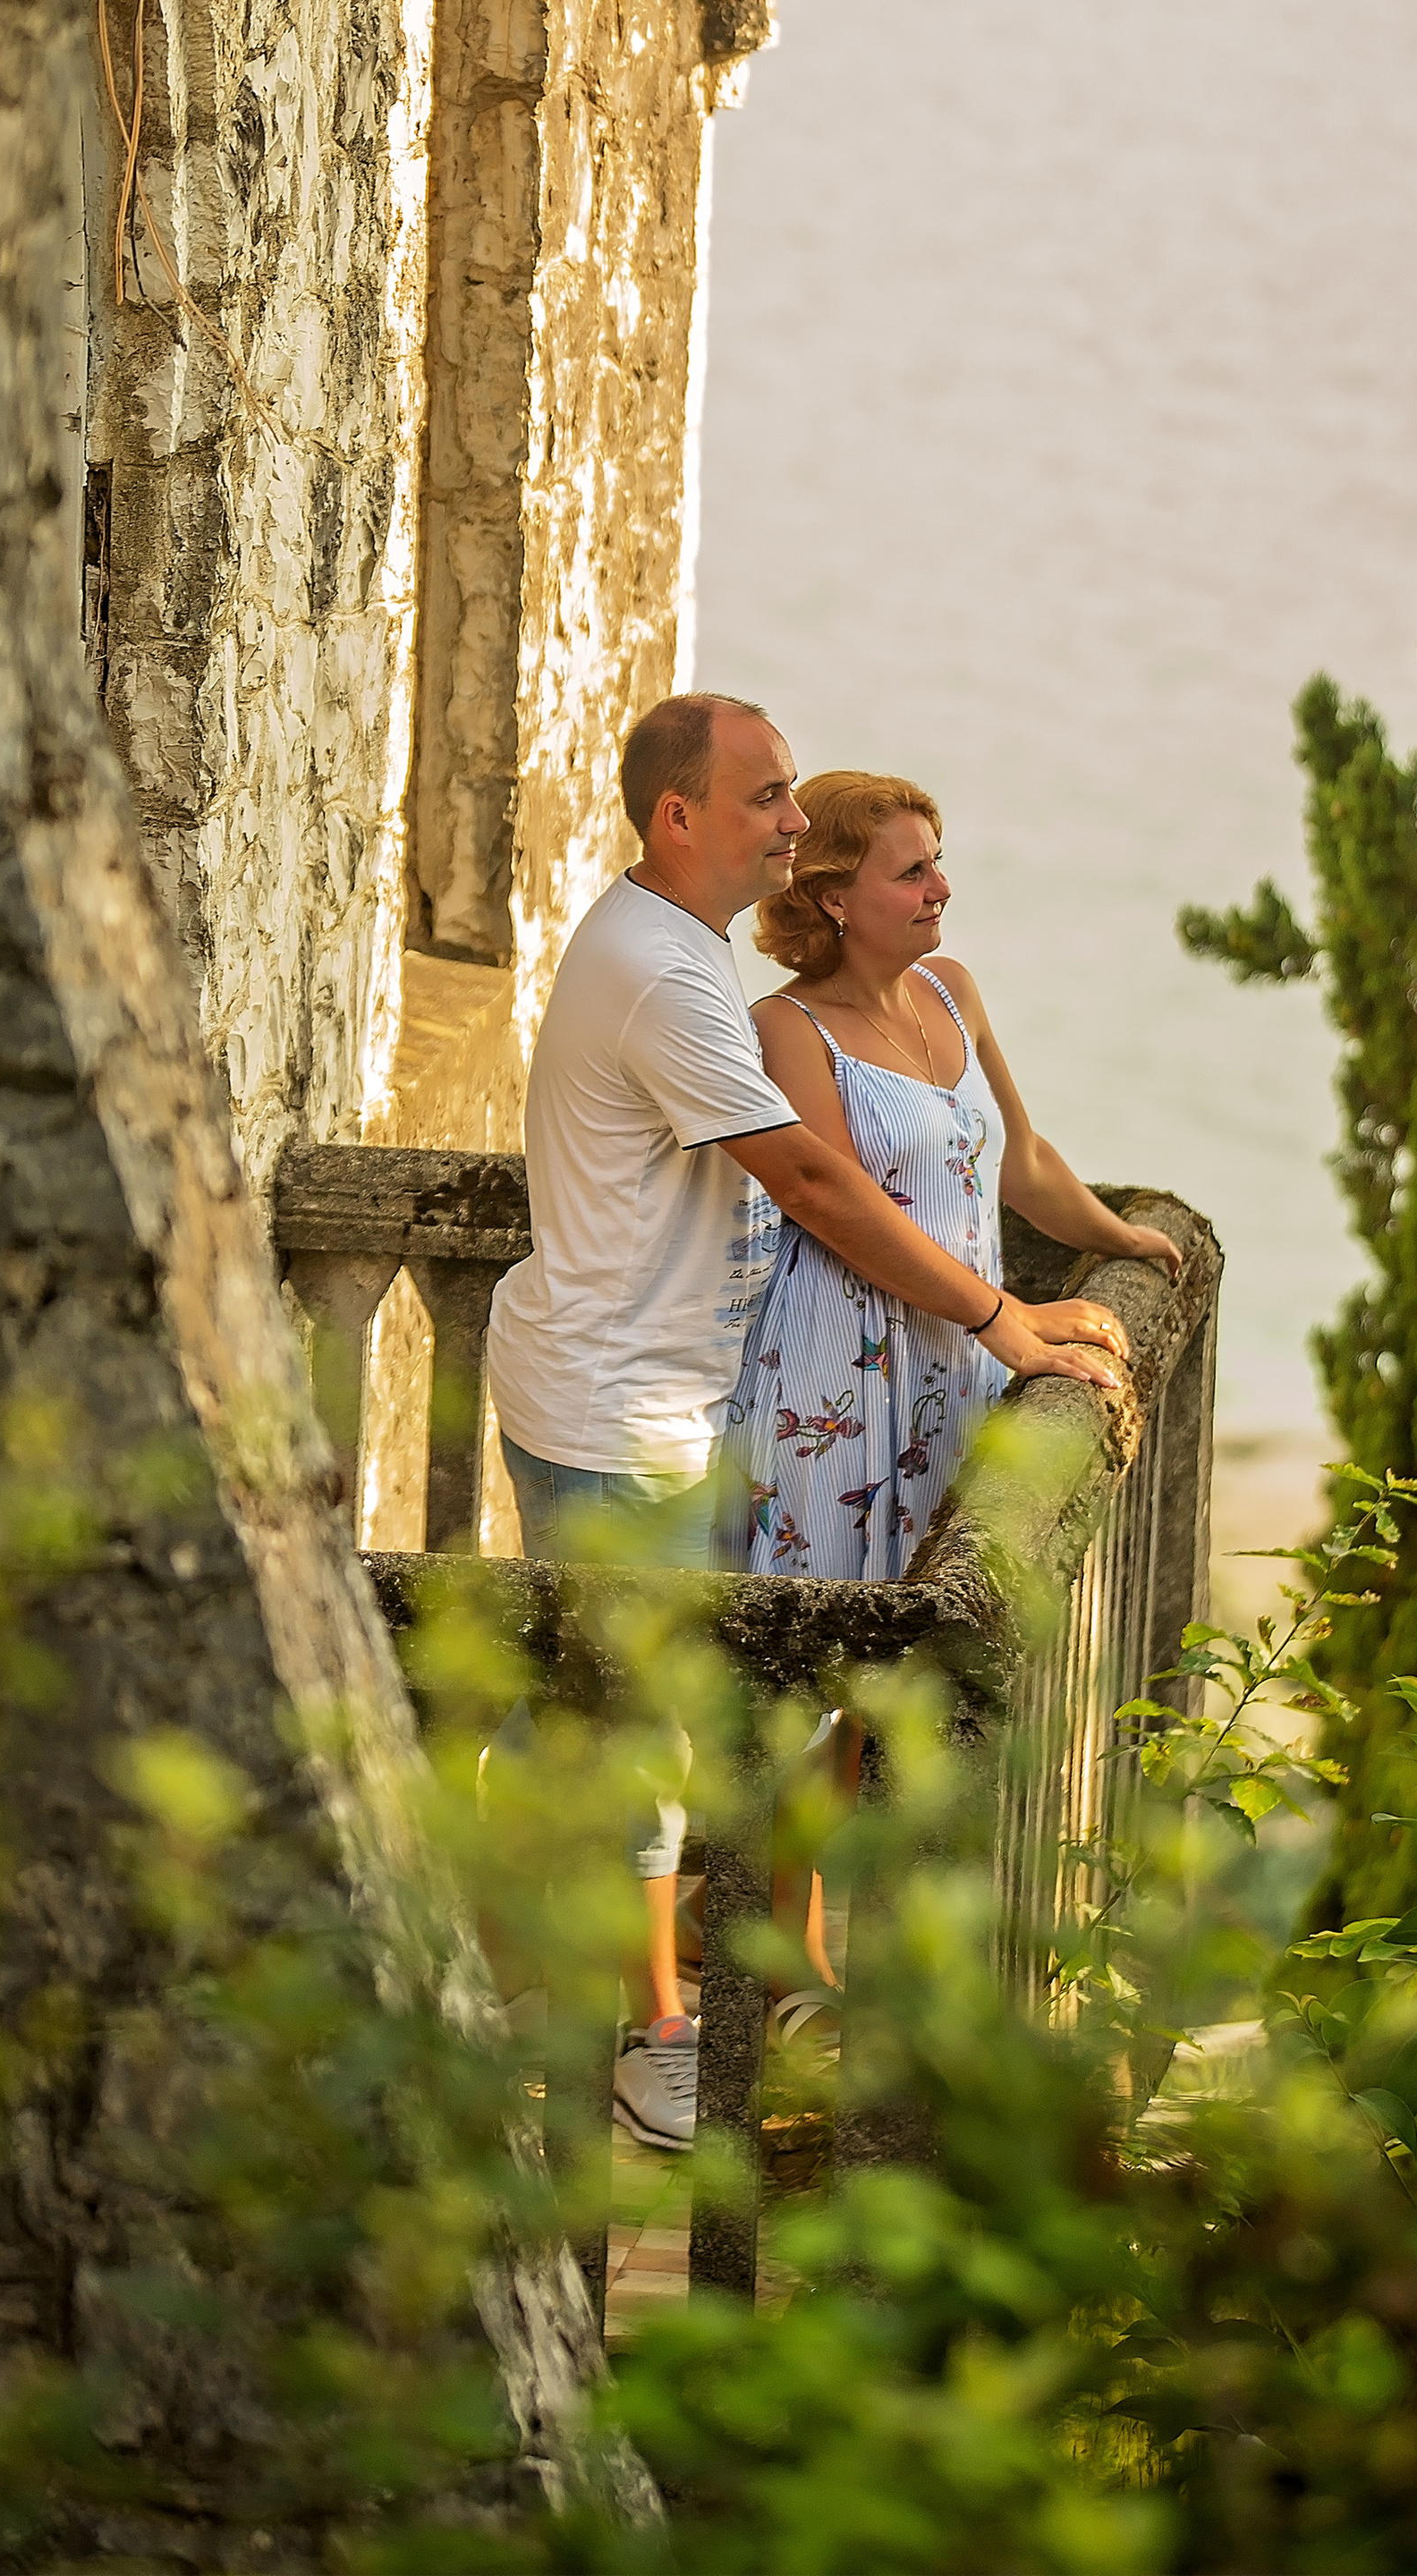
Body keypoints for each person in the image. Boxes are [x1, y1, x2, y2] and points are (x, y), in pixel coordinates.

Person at [484, 696, 1130, 2154]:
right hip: (610, 1403)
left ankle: (514, 1970)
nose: (790, 819)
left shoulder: (673, 951)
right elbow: (821, 1185)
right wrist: (1003, 1320)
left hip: (639, 1388)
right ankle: (647, 2046)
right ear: (679, 818)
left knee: (581, 1722)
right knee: (637, 1736)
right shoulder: (667, 975)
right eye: (768, 796)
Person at [731, 770, 1184, 1584]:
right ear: (834, 897)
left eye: (937, 863)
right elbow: (843, 1210)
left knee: (928, 1634)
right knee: (826, 1646)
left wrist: (1124, 1238)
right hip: (841, 1375)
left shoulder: (952, 990)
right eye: (911, 874)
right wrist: (1004, 1315)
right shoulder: (787, 1028)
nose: (942, 887)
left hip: (957, 1355)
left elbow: (1022, 1158)